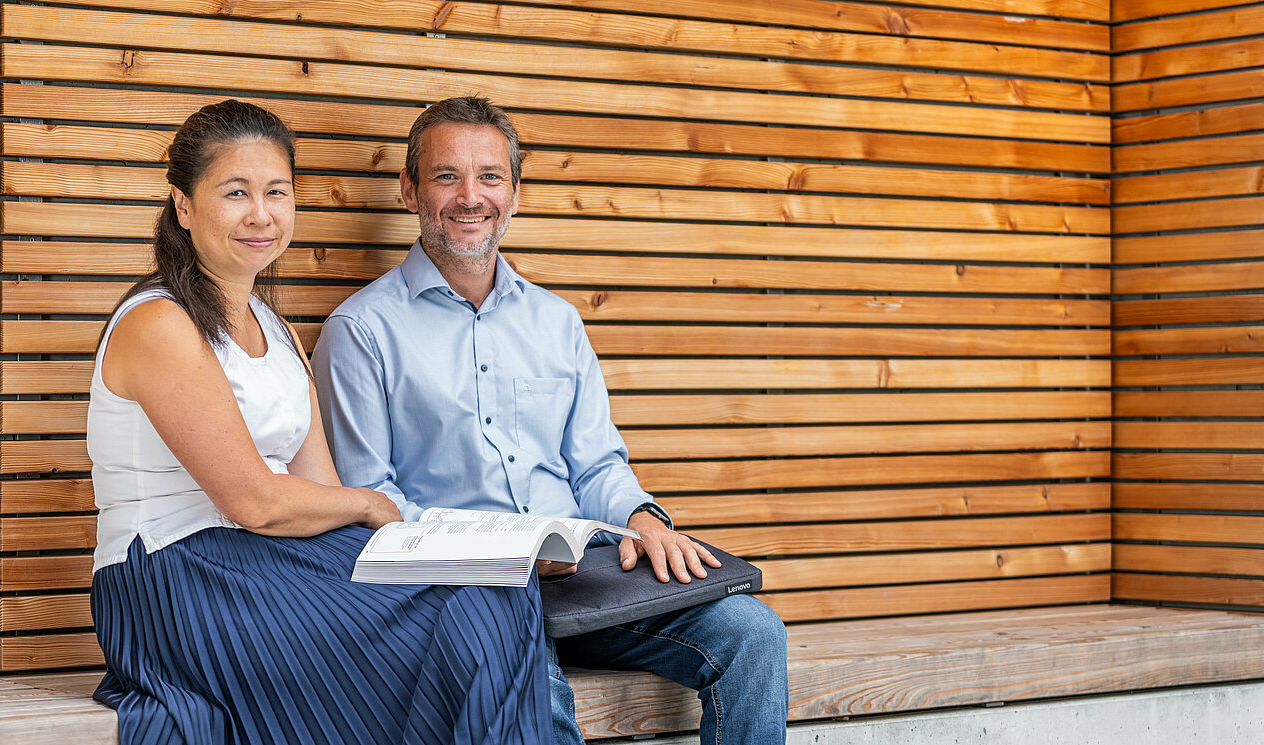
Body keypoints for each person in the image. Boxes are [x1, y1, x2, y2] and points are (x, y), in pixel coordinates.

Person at [313, 96, 788, 745]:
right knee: (538, 693)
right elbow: (372, 506)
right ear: (409, 189)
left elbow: (595, 464)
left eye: (489, 176)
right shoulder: (361, 331)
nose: (469, 196)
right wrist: (504, 553)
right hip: (464, 596)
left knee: (753, 633)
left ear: (514, 192)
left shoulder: (557, 321)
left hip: (584, 583)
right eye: (447, 175)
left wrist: (644, 519)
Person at [86, 99, 550, 745]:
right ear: (184, 205)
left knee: (497, 592)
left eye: (277, 191)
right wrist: (368, 503)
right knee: (463, 619)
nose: (261, 213)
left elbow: (316, 486)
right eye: (236, 192)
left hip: (274, 560)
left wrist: (386, 525)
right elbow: (255, 502)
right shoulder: (158, 323)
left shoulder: (274, 329)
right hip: (182, 577)